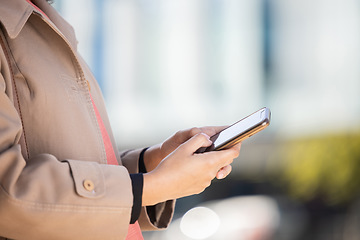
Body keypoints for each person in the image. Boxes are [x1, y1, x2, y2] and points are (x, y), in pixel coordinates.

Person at [0, 0, 241, 239]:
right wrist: (152, 186)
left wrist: (152, 164)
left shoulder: (46, 22)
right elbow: (7, 194)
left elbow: (79, 164)